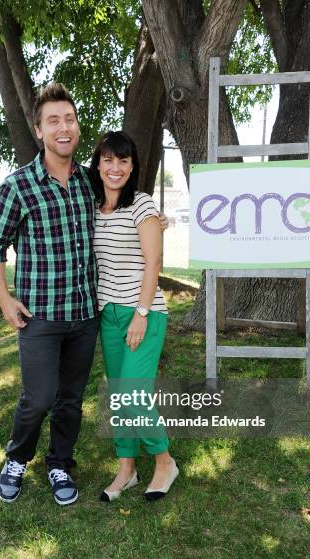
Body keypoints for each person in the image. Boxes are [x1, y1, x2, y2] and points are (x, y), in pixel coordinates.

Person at [0, 83, 167, 506]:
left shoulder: (90, 183)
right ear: (39, 130)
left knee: (71, 400)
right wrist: (4, 299)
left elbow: (126, 209)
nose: (63, 128)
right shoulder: (19, 186)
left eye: (69, 119)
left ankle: (60, 464)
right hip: (40, 316)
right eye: (53, 121)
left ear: (76, 127)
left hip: (86, 315)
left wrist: (156, 220)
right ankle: (17, 458)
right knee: (39, 397)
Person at [91, 131, 179, 502]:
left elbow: (153, 262)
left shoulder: (142, 205)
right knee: (119, 394)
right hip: (107, 314)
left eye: (123, 161)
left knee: (132, 394)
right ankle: (126, 468)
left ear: (133, 166)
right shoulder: (91, 206)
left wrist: (141, 313)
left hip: (142, 312)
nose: (116, 168)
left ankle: (164, 461)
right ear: (97, 164)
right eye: (108, 160)